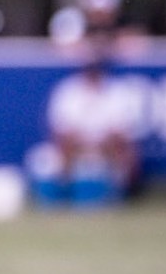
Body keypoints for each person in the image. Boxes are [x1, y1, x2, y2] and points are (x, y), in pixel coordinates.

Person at [31, 56, 141, 205]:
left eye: (96, 71)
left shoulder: (117, 91)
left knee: (127, 153)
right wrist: (81, 144)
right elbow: (60, 130)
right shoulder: (68, 90)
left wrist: (99, 144)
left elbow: (121, 132)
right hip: (74, 146)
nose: (92, 75)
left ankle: (116, 195)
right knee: (56, 151)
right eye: (89, 71)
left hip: (107, 147)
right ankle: (63, 193)